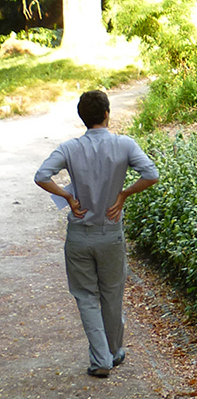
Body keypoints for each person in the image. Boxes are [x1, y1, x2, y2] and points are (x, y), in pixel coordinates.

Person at [34, 90, 159, 378]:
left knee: (86, 296)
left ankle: (101, 358)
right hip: (110, 232)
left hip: (79, 234)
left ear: (83, 118)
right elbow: (151, 173)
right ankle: (114, 352)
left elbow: (41, 176)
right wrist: (125, 193)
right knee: (112, 294)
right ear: (107, 113)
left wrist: (67, 195)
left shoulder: (69, 148)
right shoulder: (124, 145)